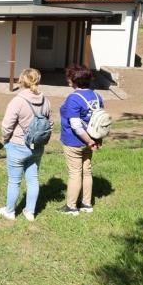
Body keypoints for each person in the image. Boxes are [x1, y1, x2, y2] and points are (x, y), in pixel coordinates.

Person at [0, 68, 52, 222]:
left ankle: (10, 211)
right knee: (33, 179)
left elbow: (7, 126)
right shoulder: (45, 101)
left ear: (22, 81)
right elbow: (50, 124)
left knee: (14, 181)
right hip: (37, 146)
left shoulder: (18, 101)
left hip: (17, 145)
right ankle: (30, 212)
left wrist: (5, 140)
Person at [59, 64, 104, 216]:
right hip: (91, 141)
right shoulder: (97, 97)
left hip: (75, 142)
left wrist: (88, 141)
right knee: (87, 172)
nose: (67, 80)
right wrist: (96, 140)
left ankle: (71, 207)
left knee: (75, 173)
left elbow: (76, 126)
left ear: (75, 80)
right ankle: (86, 204)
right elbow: (100, 121)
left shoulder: (74, 98)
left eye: (69, 77)